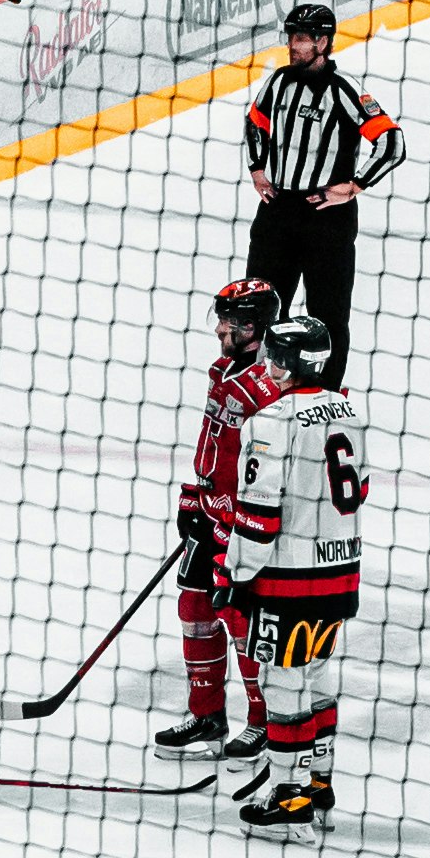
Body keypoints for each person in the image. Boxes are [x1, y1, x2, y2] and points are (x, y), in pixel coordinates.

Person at [226, 313, 367, 839]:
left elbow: (259, 520)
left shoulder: (270, 422)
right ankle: (319, 784)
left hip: (288, 581)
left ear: (283, 362)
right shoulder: (349, 411)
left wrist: (235, 575)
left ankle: (288, 798)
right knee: (316, 676)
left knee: (282, 684)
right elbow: (360, 489)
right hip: (340, 574)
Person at [154, 276, 292, 766]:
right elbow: (213, 446)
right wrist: (194, 498)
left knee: (243, 623)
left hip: (244, 529)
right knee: (194, 611)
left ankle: (263, 722)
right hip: (211, 516)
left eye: (228, 323)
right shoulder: (223, 371)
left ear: (253, 328)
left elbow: (272, 469)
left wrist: (247, 523)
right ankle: (208, 716)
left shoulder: (270, 387)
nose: (218, 330)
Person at [241, 1, 401, 381]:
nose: (292, 46)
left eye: (300, 39)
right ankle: (258, 385)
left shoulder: (345, 90)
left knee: (328, 314)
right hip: (278, 212)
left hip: (327, 219)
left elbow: (392, 143)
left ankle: (326, 394)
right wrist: (258, 169)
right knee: (259, 305)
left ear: (322, 42)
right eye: (291, 38)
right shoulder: (279, 80)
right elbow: (255, 122)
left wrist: (355, 185)